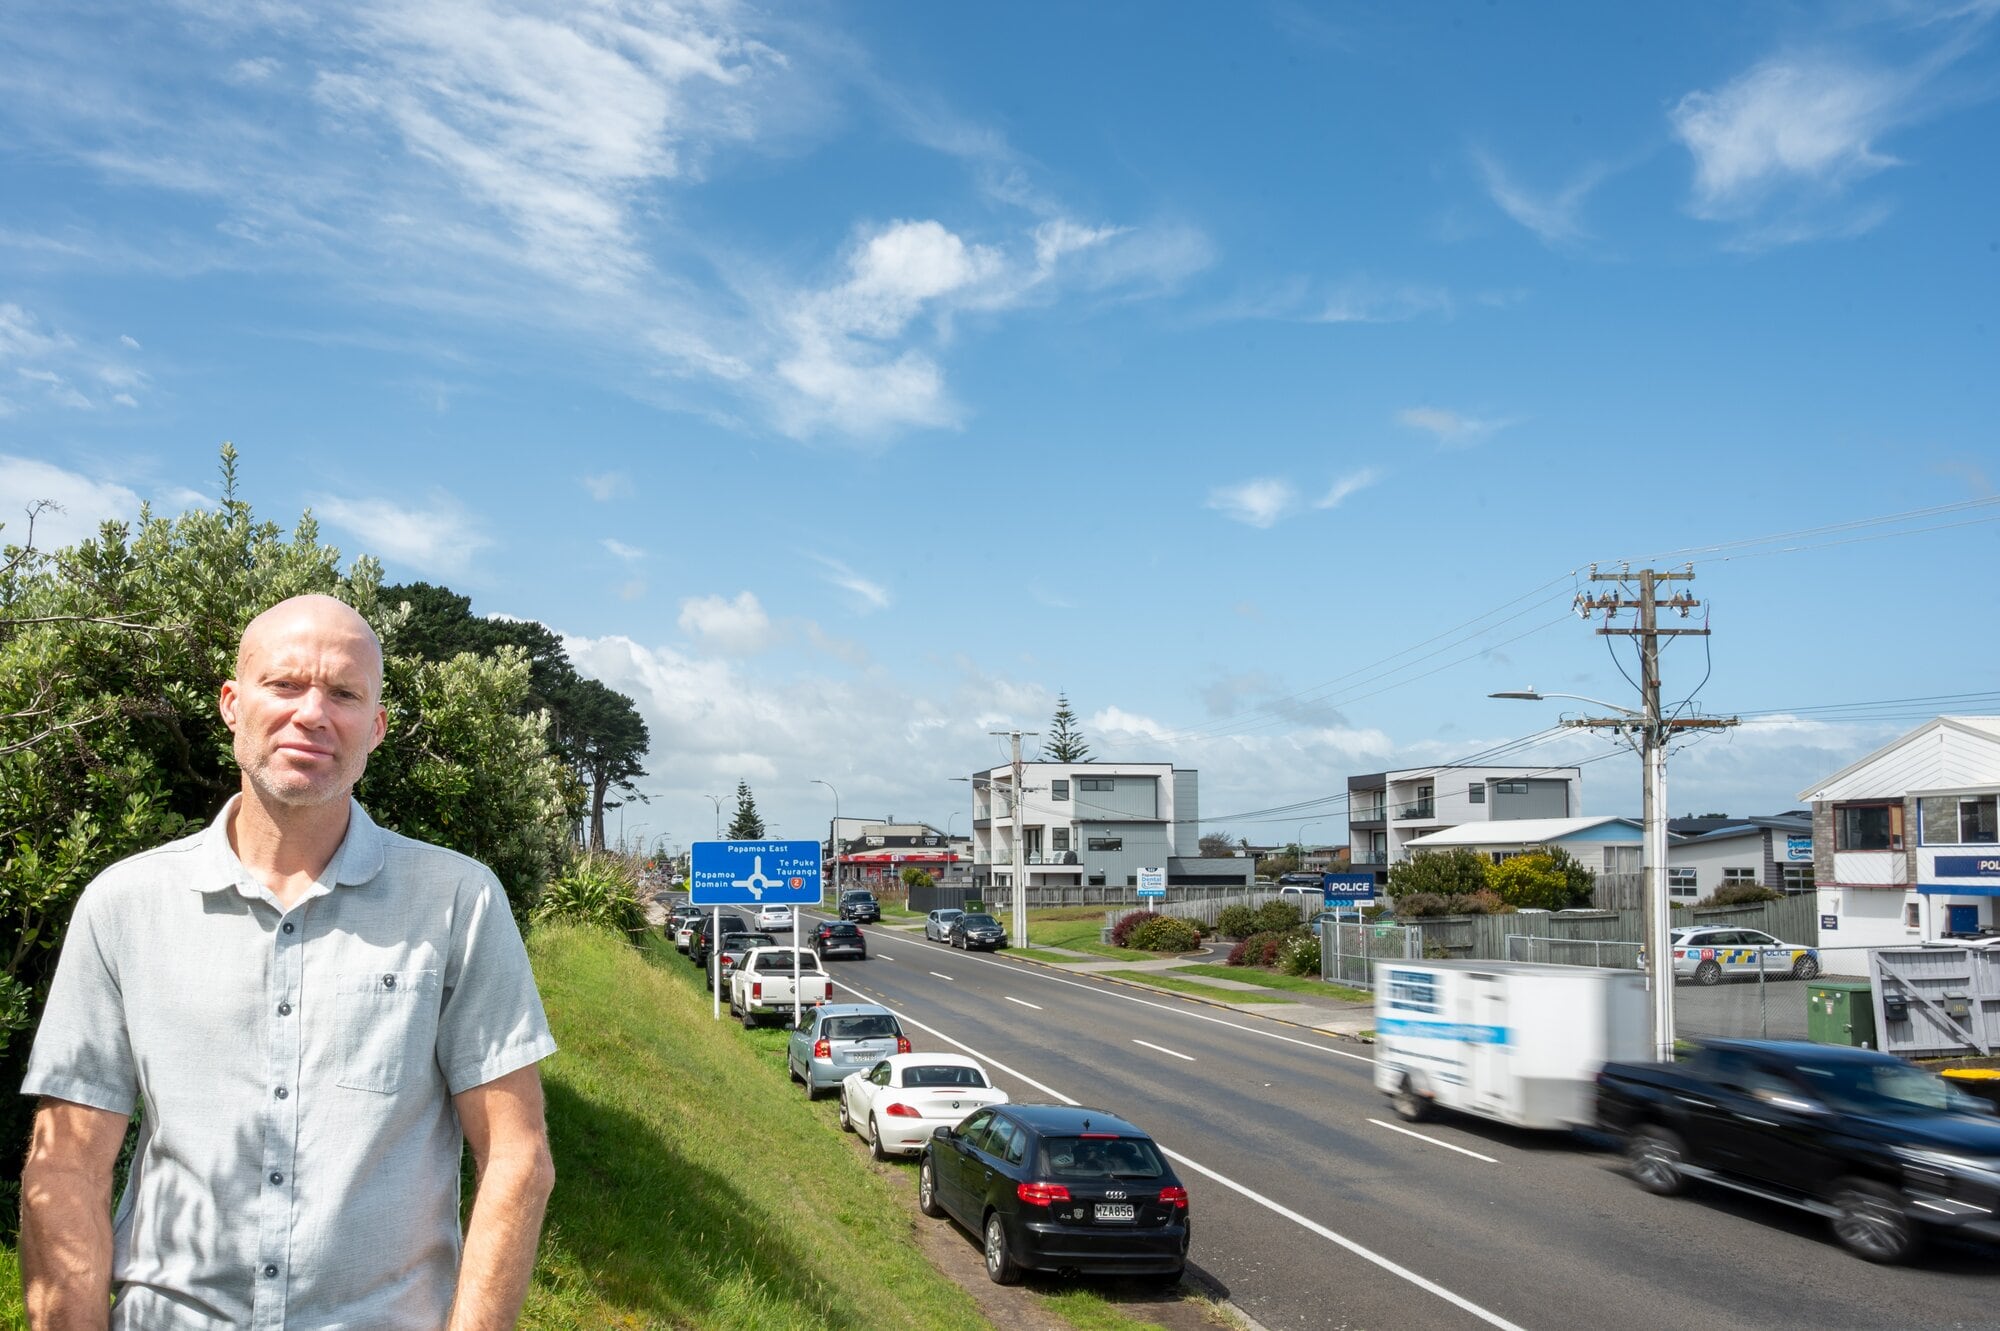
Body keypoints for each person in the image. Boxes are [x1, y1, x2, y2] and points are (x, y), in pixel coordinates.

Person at [19, 594, 558, 1330]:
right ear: (231, 704)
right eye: (285, 683)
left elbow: (517, 1156)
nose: (313, 712)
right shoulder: (125, 904)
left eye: (343, 692)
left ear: (376, 726)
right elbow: (66, 1164)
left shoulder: (458, 903)